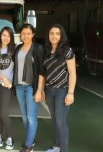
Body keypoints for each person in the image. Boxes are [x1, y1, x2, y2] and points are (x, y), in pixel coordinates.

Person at [43, 23, 76, 152]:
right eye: (52, 33)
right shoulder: (46, 51)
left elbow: (72, 72)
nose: (54, 36)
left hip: (62, 91)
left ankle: (63, 150)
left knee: (61, 122)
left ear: (61, 36)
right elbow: (45, 73)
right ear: (48, 35)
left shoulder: (67, 51)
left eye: (57, 33)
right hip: (50, 91)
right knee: (55, 120)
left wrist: (71, 93)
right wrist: (43, 89)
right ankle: (56, 147)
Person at [13, 24, 45, 152]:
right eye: (23, 33)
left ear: (33, 34)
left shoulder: (38, 49)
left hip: (32, 87)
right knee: (24, 117)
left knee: (31, 117)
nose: (25, 35)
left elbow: (41, 71)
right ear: (20, 35)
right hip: (19, 86)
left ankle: (28, 145)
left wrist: (39, 90)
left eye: (28, 33)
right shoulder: (18, 48)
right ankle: (30, 139)